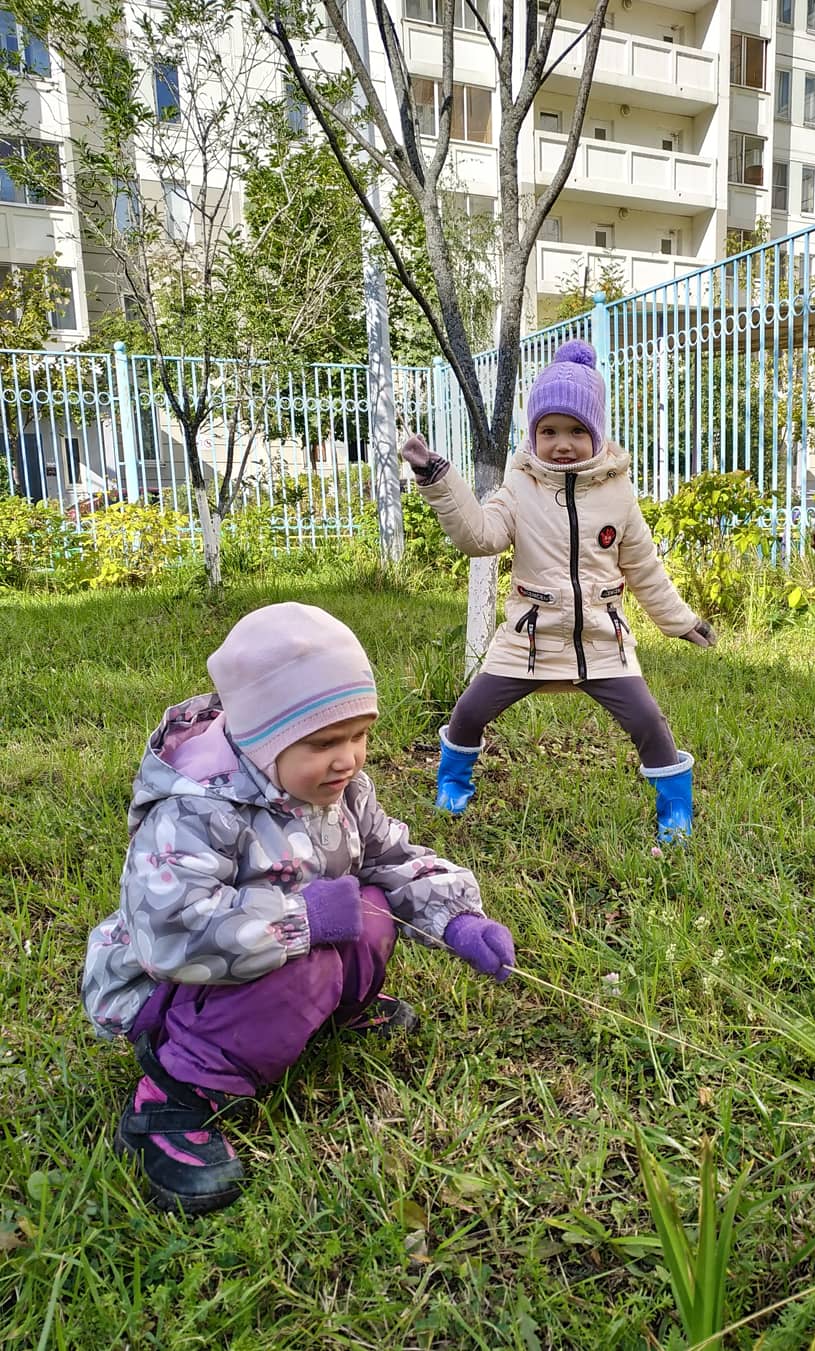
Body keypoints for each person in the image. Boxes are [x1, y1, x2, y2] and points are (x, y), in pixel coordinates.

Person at [81, 602, 515, 1216]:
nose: (349, 759)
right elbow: (171, 932)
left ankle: (331, 1008)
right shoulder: (199, 810)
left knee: (368, 906)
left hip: (280, 951)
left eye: (360, 735)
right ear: (263, 739)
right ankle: (174, 1094)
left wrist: (455, 917)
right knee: (315, 950)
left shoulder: (338, 790)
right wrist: (304, 920)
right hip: (169, 989)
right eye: (324, 743)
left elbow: (390, 858)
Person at [401, 339, 715, 843]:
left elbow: (644, 568)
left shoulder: (617, 492)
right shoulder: (519, 487)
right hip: (529, 639)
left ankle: (675, 810)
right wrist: (438, 480)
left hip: (599, 640)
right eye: (548, 431)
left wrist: (681, 621)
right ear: (533, 434)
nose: (562, 443)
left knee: (650, 723)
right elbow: (478, 536)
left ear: (597, 434)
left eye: (575, 431)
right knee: (469, 712)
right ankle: (453, 783)